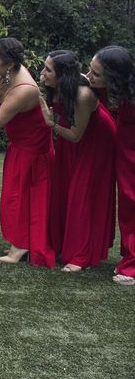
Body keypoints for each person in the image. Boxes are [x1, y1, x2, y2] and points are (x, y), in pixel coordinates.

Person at [39, 50, 117, 272]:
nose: (43, 72)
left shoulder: (83, 94)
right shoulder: (58, 87)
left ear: (63, 74)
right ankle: (63, 244)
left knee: (82, 194)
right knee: (65, 186)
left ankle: (80, 255)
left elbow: (76, 135)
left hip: (95, 141)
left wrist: (51, 124)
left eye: (48, 69)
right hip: (71, 135)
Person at [0, 38, 55, 267]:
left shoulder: (24, 89)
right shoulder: (11, 72)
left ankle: (20, 248)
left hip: (32, 150)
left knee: (22, 199)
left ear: (10, 64)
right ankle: (20, 242)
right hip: (22, 145)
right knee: (14, 197)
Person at [86, 45, 135, 285]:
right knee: (127, 209)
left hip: (132, 154)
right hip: (124, 152)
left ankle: (133, 265)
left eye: (95, 74)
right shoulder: (117, 90)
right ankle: (129, 256)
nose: (90, 76)